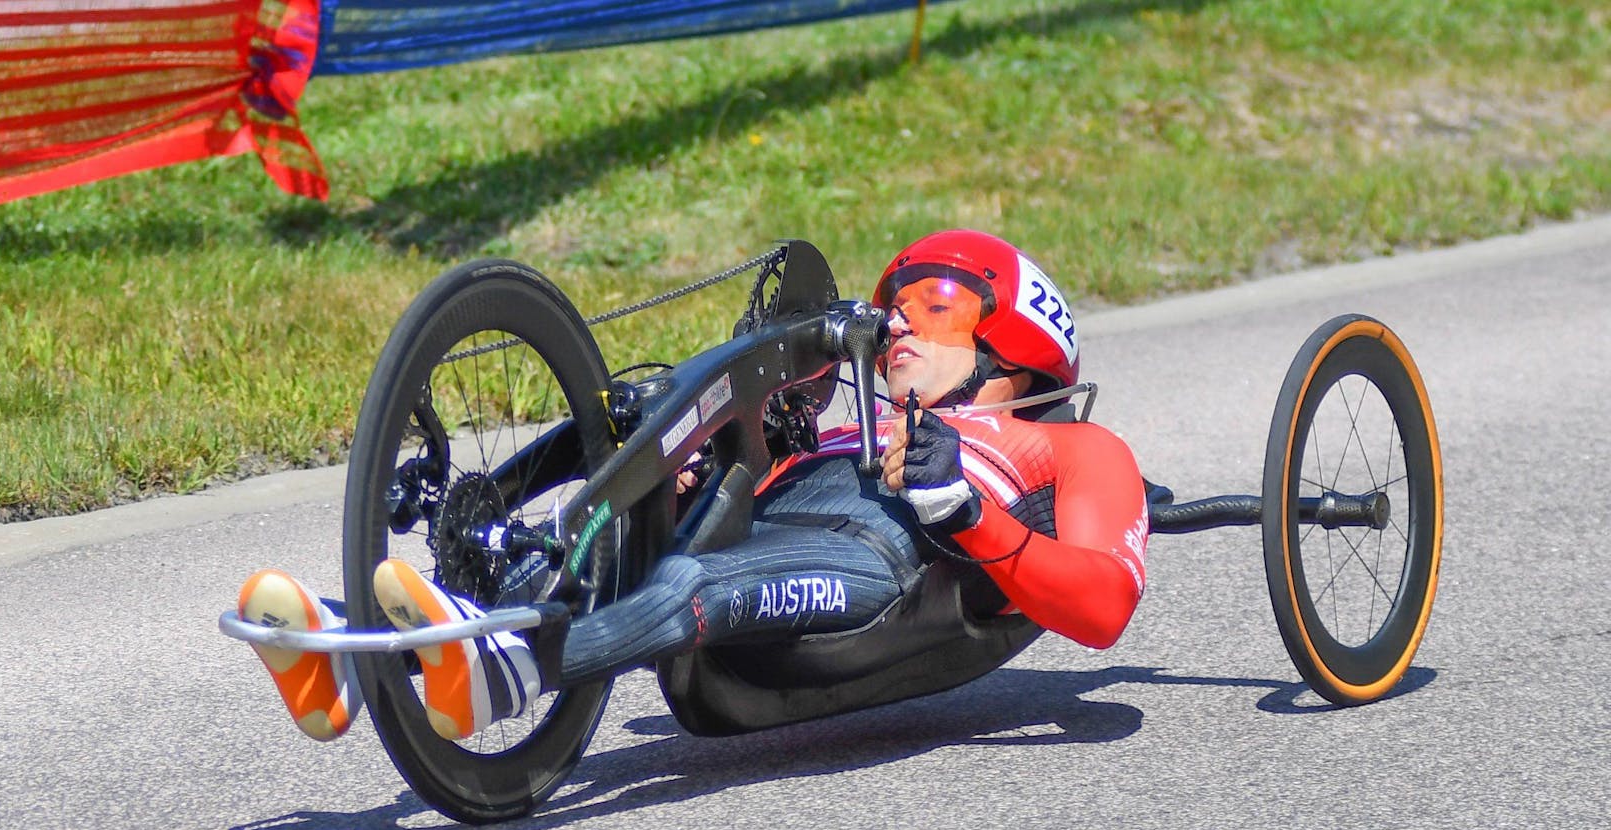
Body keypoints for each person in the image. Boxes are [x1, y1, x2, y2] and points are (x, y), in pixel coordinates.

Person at [236, 229, 1150, 743]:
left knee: (690, 582)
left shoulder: (1066, 449)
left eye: (935, 303)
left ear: (1019, 341)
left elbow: (1104, 603)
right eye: (894, 301)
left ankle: (512, 671)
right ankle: (348, 647)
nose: (898, 317)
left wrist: (973, 513)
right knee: (620, 525)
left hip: (884, 568)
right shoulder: (851, 426)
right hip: (777, 533)